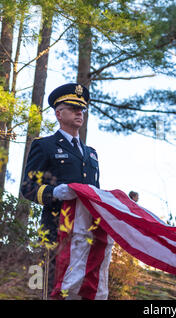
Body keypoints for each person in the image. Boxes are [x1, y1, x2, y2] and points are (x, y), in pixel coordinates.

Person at [21, 83, 102, 299]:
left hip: (85, 234)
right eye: (73, 108)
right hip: (56, 230)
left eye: (81, 109)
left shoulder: (91, 153)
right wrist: (55, 192)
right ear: (59, 114)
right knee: (51, 287)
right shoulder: (44, 146)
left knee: (80, 289)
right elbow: (27, 188)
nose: (79, 112)